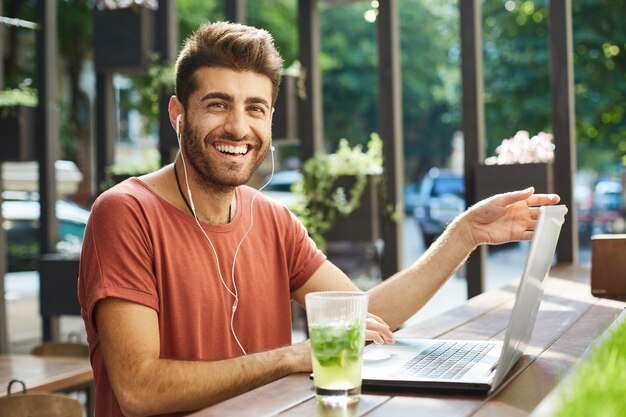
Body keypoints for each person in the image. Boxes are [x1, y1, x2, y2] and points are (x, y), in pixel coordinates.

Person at [78, 21, 561, 417]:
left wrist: (464, 234)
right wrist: (290, 356)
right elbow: (140, 390)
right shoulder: (125, 213)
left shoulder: (272, 219)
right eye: (217, 104)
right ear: (178, 114)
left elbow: (363, 317)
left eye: (256, 108)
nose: (238, 127)